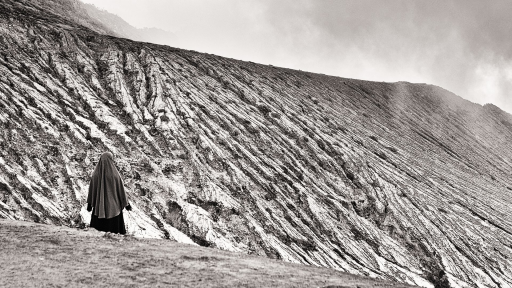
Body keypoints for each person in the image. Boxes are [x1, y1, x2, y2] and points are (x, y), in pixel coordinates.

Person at [87, 152, 132, 234]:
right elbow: (121, 190)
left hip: (98, 208)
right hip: (114, 209)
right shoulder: (115, 175)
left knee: (97, 232)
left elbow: (92, 191)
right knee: (115, 233)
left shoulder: (95, 175)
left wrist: (89, 204)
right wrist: (126, 204)